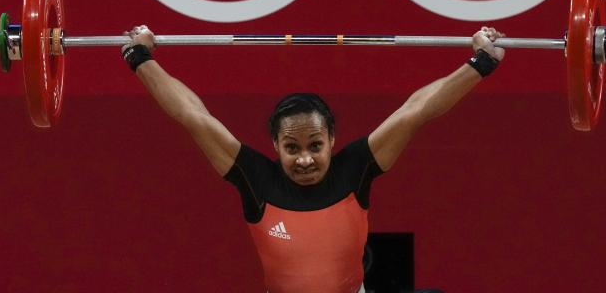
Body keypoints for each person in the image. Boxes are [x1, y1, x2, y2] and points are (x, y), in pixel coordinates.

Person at [121, 25, 506, 293]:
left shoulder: (355, 169)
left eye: (315, 146)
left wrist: (479, 65)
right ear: (275, 145)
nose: (304, 159)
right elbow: (194, 115)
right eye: (292, 148)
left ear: (332, 140)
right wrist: (141, 58)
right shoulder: (256, 178)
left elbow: (416, 110)